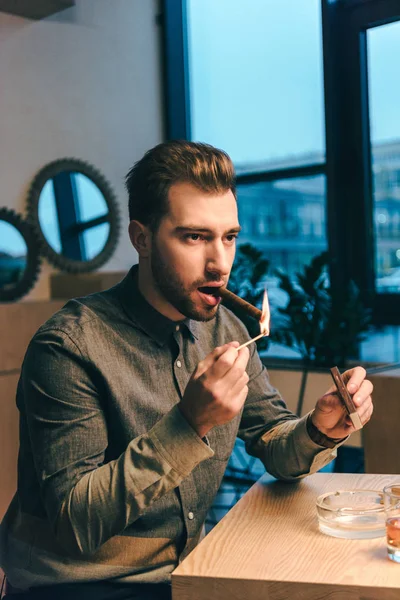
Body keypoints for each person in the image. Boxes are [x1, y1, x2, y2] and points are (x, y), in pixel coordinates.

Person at [0, 140, 373, 600]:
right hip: (74, 586)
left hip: (182, 576)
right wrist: (190, 423)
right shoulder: (68, 347)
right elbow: (76, 523)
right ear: (141, 238)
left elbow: (274, 441)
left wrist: (319, 429)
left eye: (229, 237)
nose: (220, 263)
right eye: (194, 237)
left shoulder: (228, 328)